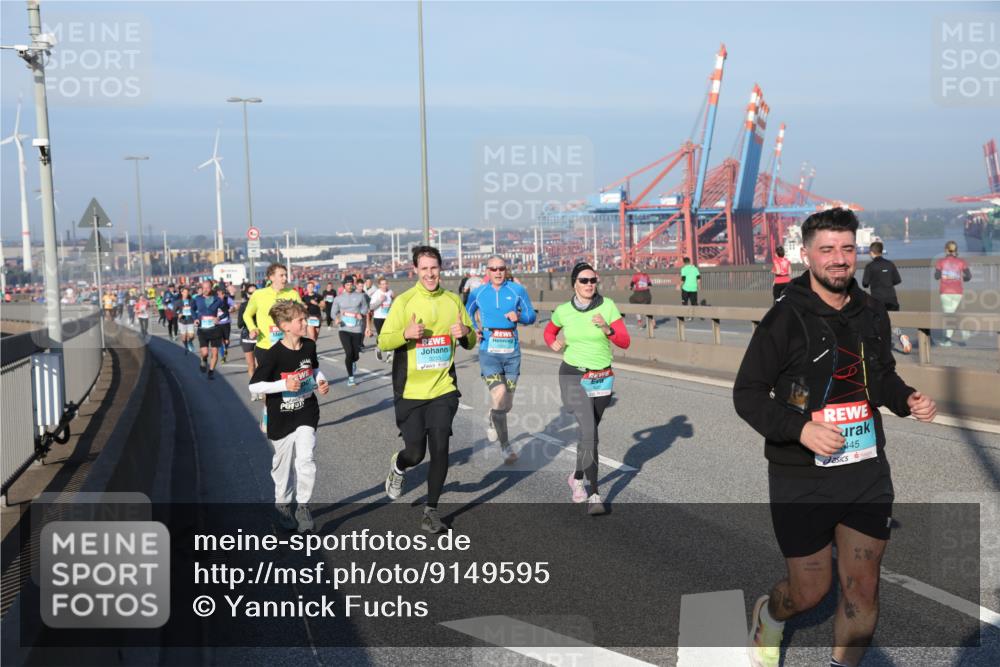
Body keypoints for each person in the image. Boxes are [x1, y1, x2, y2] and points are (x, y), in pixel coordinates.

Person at [733, 207, 937, 667]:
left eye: (847, 248)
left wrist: (907, 399)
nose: (839, 259)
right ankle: (770, 615)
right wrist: (800, 428)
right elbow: (746, 395)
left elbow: (880, 377)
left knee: (861, 589)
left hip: (865, 470)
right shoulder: (783, 319)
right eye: (827, 250)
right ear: (807, 255)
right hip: (800, 476)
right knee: (808, 593)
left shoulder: (871, 313)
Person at [379, 245, 477, 533]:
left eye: (434, 268)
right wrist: (405, 334)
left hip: (443, 388)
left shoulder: (452, 301)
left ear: (440, 269)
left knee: (441, 448)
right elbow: (384, 342)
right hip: (410, 391)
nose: (430, 273)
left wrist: (466, 333)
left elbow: (470, 341)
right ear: (416, 271)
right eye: (424, 269)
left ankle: (431, 510)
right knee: (415, 453)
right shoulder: (405, 301)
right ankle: (399, 466)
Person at [543, 262, 630, 515]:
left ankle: (577, 476)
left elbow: (624, 342)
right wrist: (553, 343)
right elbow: (549, 332)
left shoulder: (608, 306)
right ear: (574, 284)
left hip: (602, 376)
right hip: (573, 375)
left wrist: (607, 328)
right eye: (584, 280)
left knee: (587, 436)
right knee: (590, 433)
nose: (589, 284)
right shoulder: (563, 311)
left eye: (593, 280)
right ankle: (594, 494)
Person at [248, 300, 330, 534]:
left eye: (305, 319)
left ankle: (303, 506)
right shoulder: (273, 355)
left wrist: (321, 380)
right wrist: (284, 384)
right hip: (281, 416)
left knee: (306, 460)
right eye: (300, 320)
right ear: (285, 326)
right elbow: (255, 387)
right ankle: (283, 504)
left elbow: (313, 369)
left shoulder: (308, 346)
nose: (306, 323)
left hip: (306, 411)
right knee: (282, 467)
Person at [466, 255, 537, 464]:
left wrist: (520, 317)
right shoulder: (479, 293)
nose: (497, 272)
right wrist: (474, 329)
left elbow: (531, 315)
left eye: (501, 269)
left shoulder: (517, 290)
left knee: (506, 405)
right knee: (500, 393)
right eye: (493, 269)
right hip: (489, 352)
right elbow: (467, 312)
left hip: (512, 354)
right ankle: (506, 447)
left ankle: (492, 415)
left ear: (506, 270)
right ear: (487, 271)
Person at [242, 264, 303, 429]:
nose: (285, 278)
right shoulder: (259, 294)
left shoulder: (292, 294)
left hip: (288, 346)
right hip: (265, 346)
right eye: (281, 275)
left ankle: (288, 414)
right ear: (271, 277)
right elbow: (247, 314)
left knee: (287, 381)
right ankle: (269, 411)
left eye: (285, 275)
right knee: (271, 384)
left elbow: (301, 313)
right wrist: (252, 328)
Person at [861, 241, 910, 353]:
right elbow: (897, 280)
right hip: (892, 298)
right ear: (881, 251)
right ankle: (901, 336)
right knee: (894, 322)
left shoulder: (870, 266)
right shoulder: (890, 264)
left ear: (872, 252)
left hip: (877, 300)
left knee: (876, 322)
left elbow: (865, 283)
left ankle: (882, 345)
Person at [330, 276, 370, 386]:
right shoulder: (338, 298)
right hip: (344, 329)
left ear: (354, 284)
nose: (349, 286)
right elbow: (333, 313)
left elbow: (365, 309)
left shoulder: (361, 296)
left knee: (355, 355)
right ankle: (351, 378)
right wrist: (336, 319)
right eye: (347, 284)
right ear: (344, 286)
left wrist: (360, 314)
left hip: (357, 329)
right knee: (348, 353)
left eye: (351, 284)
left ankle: (353, 361)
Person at [934, 240, 972, 347]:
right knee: (952, 313)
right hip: (958, 292)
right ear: (956, 250)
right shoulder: (961, 262)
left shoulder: (940, 262)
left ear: (946, 250)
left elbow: (936, 276)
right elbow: (968, 277)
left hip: (945, 291)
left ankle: (948, 340)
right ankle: (962, 330)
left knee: (949, 315)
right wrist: (958, 277)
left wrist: (944, 274)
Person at [193, 280, 224, 379]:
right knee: (205, 352)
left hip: (214, 329)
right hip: (202, 329)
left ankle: (211, 371)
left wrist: (219, 318)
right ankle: (204, 359)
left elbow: (226, 312)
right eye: (204, 288)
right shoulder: (197, 299)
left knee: (215, 352)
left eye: (208, 287)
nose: (206, 290)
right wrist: (195, 319)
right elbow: (192, 309)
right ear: (202, 288)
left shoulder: (217, 300)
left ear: (211, 288)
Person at [237, 284, 262, 399]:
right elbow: (239, 324)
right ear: (247, 294)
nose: (253, 295)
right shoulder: (244, 306)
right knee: (251, 365)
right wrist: (249, 318)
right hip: (247, 336)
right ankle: (254, 390)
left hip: (261, 337)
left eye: (255, 292)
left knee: (260, 365)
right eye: (250, 293)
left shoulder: (262, 304)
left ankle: (261, 388)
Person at [368, 277, 395, 363]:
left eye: (385, 284)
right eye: (382, 284)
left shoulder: (390, 292)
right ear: (379, 285)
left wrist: (394, 298)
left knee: (389, 335)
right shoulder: (376, 293)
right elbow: (371, 307)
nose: (384, 286)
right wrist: (380, 300)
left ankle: (389, 354)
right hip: (378, 318)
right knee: (381, 336)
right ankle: (378, 349)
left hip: (388, 318)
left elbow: (393, 302)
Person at [628, 264, 654, 329]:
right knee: (647, 308)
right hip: (647, 294)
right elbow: (650, 284)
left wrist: (631, 287)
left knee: (634, 303)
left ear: (638, 269)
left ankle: (640, 323)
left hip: (639, 294)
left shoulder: (636, 275)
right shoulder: (646, 275)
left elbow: (632, 284)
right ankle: (652, 321)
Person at [214, 285, 236, 362]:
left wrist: (232, 309)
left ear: (223, 294)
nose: (220, 295)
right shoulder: (215, 300)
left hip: (226, 322)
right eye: (218, 294)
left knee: (226, 341)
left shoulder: (227, 299)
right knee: (220, 340)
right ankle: (223, 355)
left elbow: (234, 306)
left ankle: (226, 349)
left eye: (221, 294)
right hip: (217, 323)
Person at [177, 286, 197, 354]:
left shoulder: (192, 301)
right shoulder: (179, 301)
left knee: (191, 336)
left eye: (187, 292)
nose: (186, 293)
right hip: (182, 321)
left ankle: (189, 342)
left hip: (190, 320)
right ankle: (186, 347)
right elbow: (174, 310)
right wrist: (179, 314)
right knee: (184, 337)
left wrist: (196, 317)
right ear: (182, 293)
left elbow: (195, 309)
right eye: (184, 292)